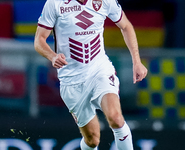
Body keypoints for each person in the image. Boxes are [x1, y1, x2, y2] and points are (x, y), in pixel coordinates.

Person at [34, 0, 147, 149]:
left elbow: (125, 26)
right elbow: (39, 40)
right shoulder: (55, 3)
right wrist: (52, 56)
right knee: (92, 139)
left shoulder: (106, 1)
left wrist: (137, 61)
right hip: (71, 80)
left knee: (116, 118)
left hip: (99, 70)